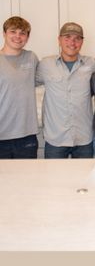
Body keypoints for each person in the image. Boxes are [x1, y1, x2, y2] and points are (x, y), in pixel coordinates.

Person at [36, 22, 95, 159]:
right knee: (54, 180)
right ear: (59, 39)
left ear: (82, 42)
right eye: (67, 37)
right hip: (55, 139)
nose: (72, 42)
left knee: (85, 179)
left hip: (84, 138)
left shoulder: (91, 64)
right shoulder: (45, 65)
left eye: (77, 38)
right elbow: (23, 82)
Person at [0, 16, 39, 159]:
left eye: (22, 33)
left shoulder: (31, 57)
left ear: (27, 37)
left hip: (26, 135)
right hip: (1, 135)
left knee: (28, 180)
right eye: (13, 31)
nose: (18, 36)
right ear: (4, 34)